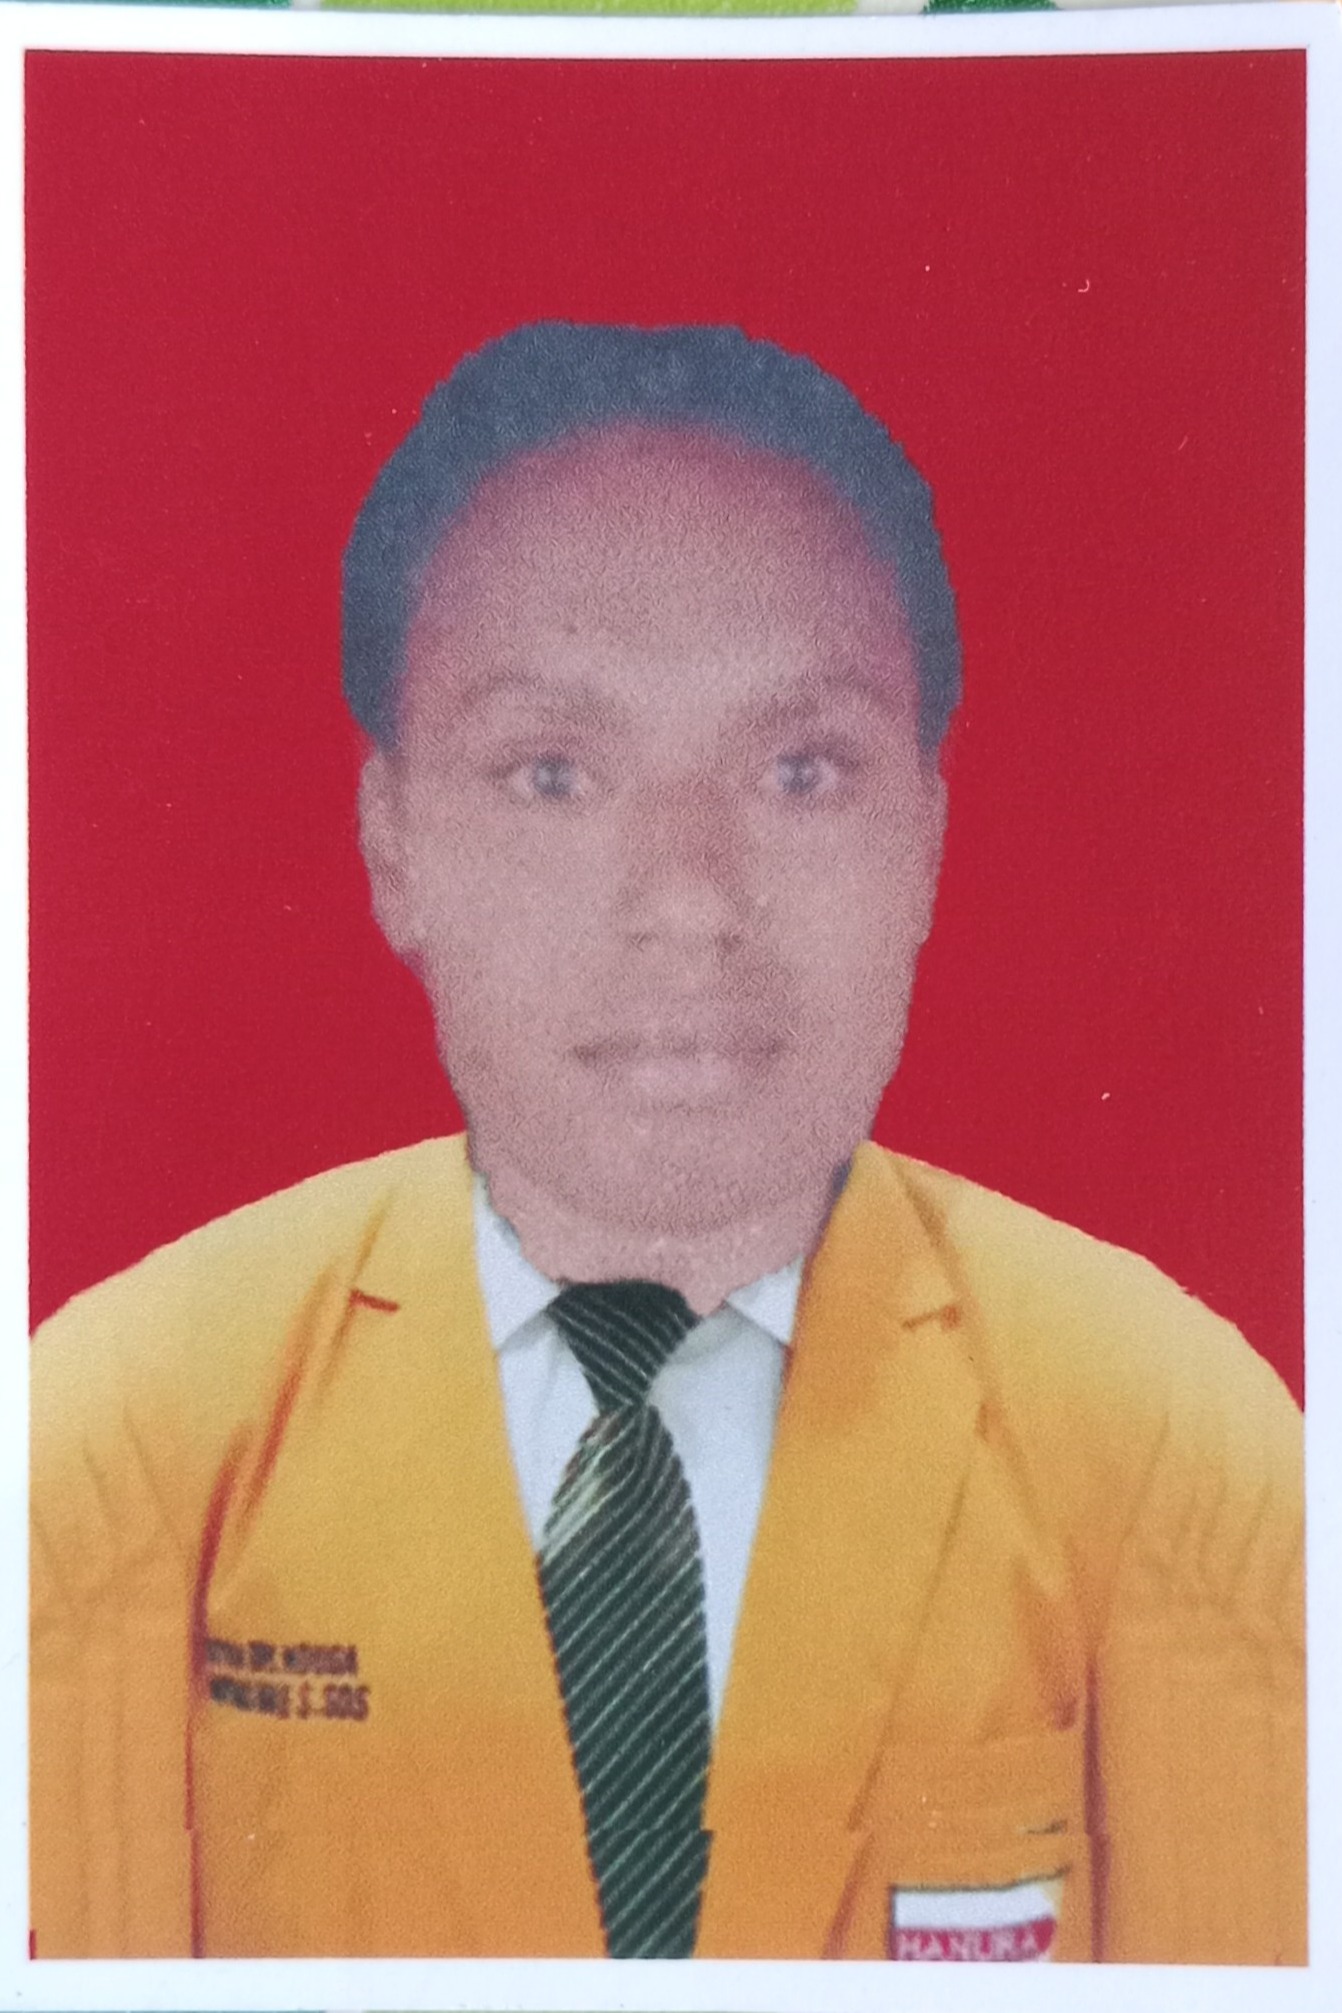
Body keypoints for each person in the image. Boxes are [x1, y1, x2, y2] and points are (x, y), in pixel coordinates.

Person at [30, 321, 1304, 1966]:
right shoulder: (124, 1436)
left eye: (799, 769)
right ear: (392, 843)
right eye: (554, 773)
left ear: (925, 836)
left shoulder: (1170, 1440)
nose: (690, 900)